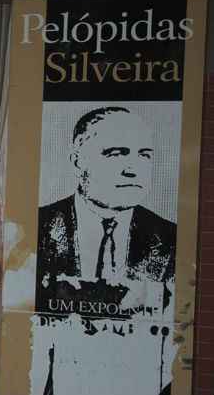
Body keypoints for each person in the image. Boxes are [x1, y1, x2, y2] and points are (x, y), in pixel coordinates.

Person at [36, 107, 176, 318]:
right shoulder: (39, 225)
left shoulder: (170, 237)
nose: (132, 169)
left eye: (144, 155)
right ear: (77, 161)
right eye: (116, 154)